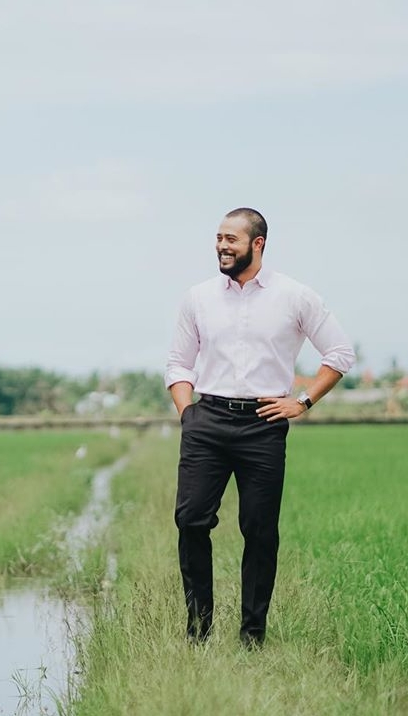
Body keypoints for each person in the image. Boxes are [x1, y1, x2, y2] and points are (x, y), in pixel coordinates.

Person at [165, 207, 355, 648]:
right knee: (191, 521)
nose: (221, 246)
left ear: (258, 244)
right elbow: (178, 363)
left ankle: (252, 636)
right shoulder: (198, 297)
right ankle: (198, 631)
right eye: (218, 238)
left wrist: (303, 401)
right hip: (206, 420)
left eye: (231, 239)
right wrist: (187, 412)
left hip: (263, 424)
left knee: (260, 530)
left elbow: (340, 353)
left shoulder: (295, 296)